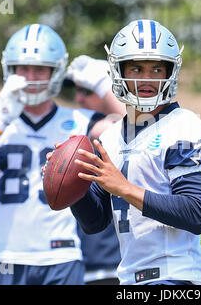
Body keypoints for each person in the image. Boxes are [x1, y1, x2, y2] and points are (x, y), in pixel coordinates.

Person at [0, 24, 113, 285]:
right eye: (22, 68)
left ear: (56, 71)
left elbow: (134, 129)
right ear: (10, 68)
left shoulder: (79, 120)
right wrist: (1, 120)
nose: (30, 77)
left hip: (60, 256)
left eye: (40, 69)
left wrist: (104, 85)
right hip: (1, 255)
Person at [66, 19, 201, 285]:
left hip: (178, 278)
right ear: (118, 70)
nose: (146, 79)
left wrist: (124, 189)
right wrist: (71, 184)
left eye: (156, 69)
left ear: (169, 72)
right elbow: (95, 223)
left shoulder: (186, 128)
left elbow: (196, 213)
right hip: (130, 279)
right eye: (136, 68)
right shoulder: (110, 137)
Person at [65, 56, 123, 285]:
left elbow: (137, 127)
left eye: (88, 91)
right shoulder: (77, 124)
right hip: (72, 260)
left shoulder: (123, 134)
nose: (79, 98)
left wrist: (104, 85)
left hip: (110, 262)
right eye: (78, 91)